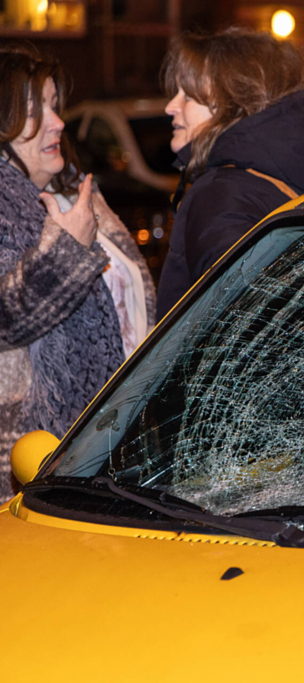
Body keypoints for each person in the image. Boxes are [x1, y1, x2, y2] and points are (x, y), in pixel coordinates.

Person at [1, 45, 156, 498]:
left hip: (116, 437)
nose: (58, 122)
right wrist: (68, 251)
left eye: (54, 105)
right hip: (38, 452)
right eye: (36, 111)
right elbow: (7, 316)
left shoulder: (73, 188)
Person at [155, 28, 304, 318]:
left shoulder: (220, 198)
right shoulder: (299, 180)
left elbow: (241, 328)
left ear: (234, 103)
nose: (170, 107)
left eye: (188, 96)